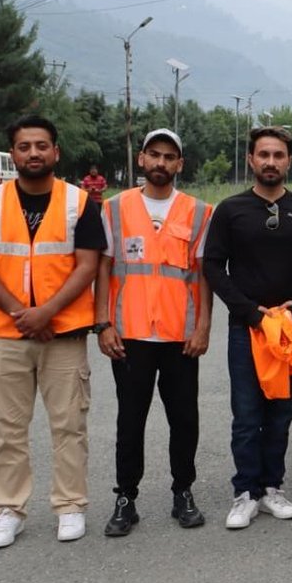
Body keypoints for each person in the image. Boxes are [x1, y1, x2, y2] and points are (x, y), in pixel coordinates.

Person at [0, 115, 105, 548]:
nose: (34, 153)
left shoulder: (80, 202)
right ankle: (8, 509)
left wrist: (48, 313)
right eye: (24, 147)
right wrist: (21, 312)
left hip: (63, 334)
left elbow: (87, 265)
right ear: (13, 155)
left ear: (56, 152)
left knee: (69, 426)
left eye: (42, 145)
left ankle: (70, 506)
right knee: (7, 427)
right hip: (7, 335)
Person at [204, 126, 292, 530]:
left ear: (289, 161)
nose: (271, 162)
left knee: (281, 412)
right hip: (247, 329)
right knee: (246, 413)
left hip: (291, 330)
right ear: (251, 160)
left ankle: (273, 487)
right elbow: (212, 267)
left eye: (278, 155)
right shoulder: (231, 210)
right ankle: (245, 493)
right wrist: (249, 312)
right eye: (263, 155)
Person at [94, 128, 213, 536]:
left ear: (180, 164)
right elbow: (104, 267)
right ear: (142, 159)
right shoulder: (115, 208)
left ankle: (184, 492)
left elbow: (201, 275)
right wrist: (103, 323)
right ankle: (126, 498)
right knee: (130, 420)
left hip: (181, 336)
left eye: (170, 157)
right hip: (130, 335)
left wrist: (203, 326)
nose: (161, 163)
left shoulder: (199, 212)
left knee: (184, 420)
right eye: (154, 155)